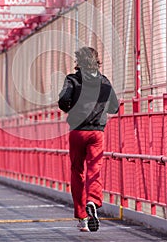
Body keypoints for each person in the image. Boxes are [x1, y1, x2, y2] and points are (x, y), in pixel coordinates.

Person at [58, 46, 119, 233]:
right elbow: (114, 108)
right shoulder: (104, 81)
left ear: (79, 61)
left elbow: (63, 101)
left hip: (77, 131)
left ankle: (82, 217)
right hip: (97, 133)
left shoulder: (72, 79)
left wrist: (73, 109)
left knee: (77, 171)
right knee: (95, 169)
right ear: (96, 60)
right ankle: (93, 200)